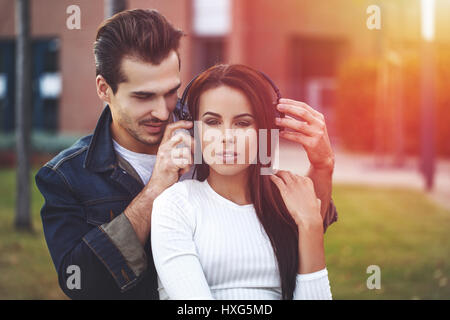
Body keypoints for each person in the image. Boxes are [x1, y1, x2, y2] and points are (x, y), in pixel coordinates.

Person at [35, 9, 338, 299]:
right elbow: (81, 284)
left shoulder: (208, 127)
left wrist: (322, 167)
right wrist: (156, 189)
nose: (162, 109)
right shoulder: (66, 177)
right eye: (143, 96)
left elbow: (290, 226)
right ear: (104, 89)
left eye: (170, 91)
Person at [151, 64, 333, 300]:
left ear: (264, 130)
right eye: (212, 122)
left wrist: (310, 225)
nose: (227, 137)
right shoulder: (175, 205)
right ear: (192, 129)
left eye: (243, 123)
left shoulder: (289, 200)